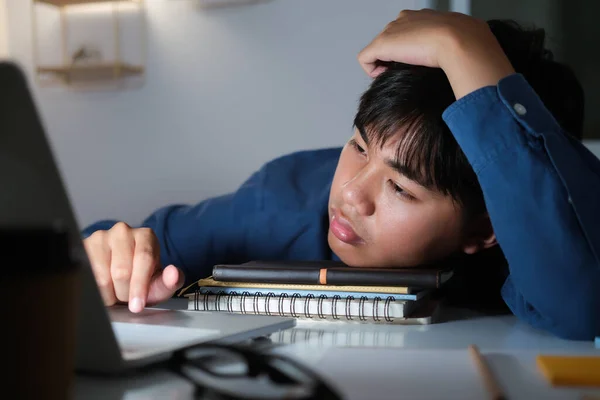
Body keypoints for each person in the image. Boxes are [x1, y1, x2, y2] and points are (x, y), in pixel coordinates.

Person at [82, 9, 600, 340]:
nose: (351, 193)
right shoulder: (284, 200)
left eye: (400, 187)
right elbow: (123, 247)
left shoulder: (537, 231)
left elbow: (578, 305)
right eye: (357, 145)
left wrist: (463, 45)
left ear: (485, 229)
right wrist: (112, 255)